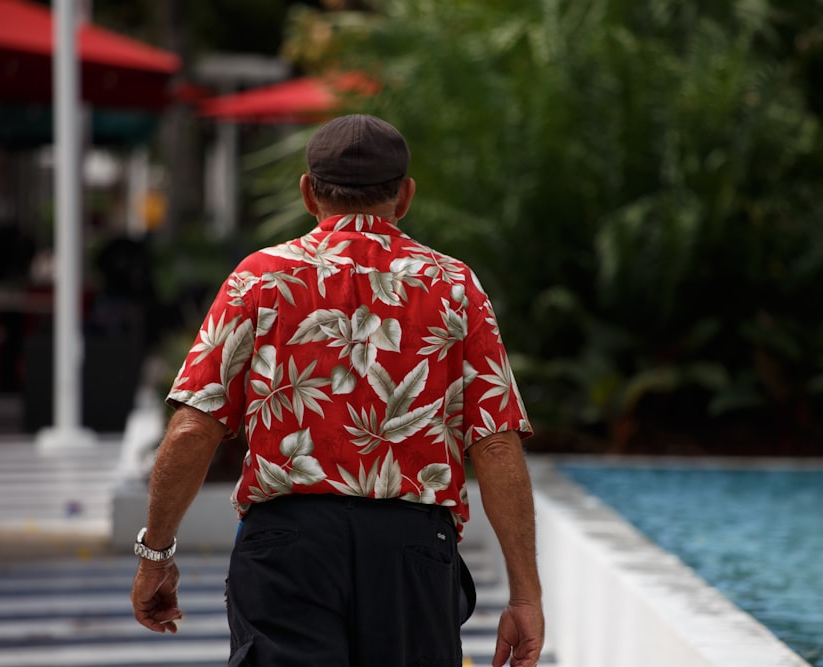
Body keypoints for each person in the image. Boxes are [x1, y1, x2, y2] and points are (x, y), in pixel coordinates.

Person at [130, 114, 544, 667]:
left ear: (308, 193)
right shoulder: (454, 286)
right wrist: (525, 595)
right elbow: (494, 443)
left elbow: (191, 428)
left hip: (288, 549)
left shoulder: (258, 279)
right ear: (404, 196)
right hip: (411, 552)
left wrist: (155, 553)